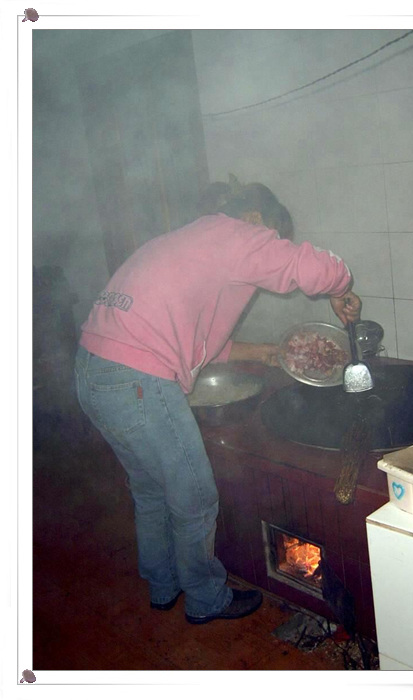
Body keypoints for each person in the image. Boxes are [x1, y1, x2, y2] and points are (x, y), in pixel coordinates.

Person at [74, 175, 362, 625]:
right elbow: (313, 268)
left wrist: (264, 352)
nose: (270, 247)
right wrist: (341, 288)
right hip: (138, 380)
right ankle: (206, 598)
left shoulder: (192, 238)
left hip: (94, 372)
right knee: (195, 496)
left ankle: (163, 585)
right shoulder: (235, 234)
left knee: (151, 490)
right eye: (272, 236)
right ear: (255, 218)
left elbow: (197, 344)